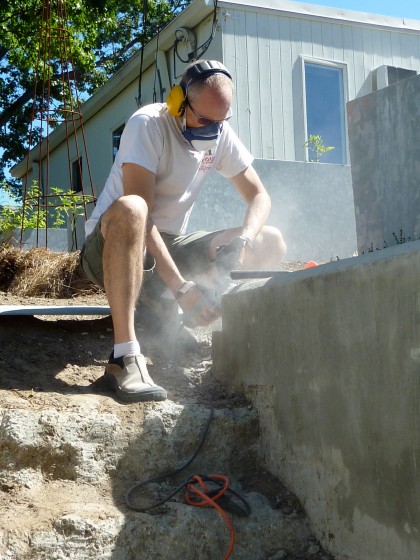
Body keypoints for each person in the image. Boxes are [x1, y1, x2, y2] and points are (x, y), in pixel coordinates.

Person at [80, 59, 286, 404]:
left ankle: (188, 321)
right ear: (178, 101)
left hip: (168, 245)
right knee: (133, 208)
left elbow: (260, 196)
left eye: (221, 122)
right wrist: (181, 287)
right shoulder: (148, 125)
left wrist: (243, 242)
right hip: (112, 243)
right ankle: (124, 358)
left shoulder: (218, 132)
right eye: (204, 120)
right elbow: (142, 220)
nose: (212, 130)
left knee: (270, 239)